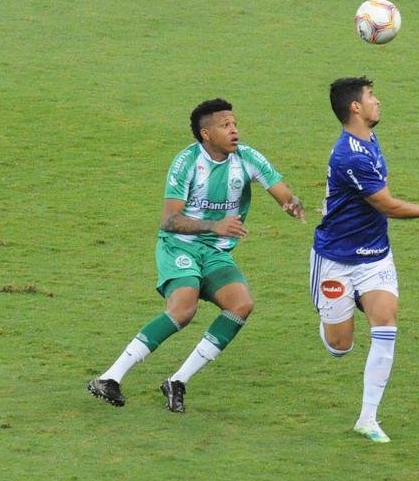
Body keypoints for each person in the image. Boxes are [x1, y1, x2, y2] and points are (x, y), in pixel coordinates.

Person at [89, 98, 304, 412]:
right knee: (183, 308)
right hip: (179, 246)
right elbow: (169, 219)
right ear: (206, 134)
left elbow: (283, 192)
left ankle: (178, 381)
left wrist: (291, 204)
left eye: (234, 124)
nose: (234, 131)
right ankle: (110, 377)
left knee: (241, 305)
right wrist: (214, 226)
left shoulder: (248, 158)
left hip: (216, 253)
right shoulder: (186, 163)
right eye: (225, 125)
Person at [310, 77, 419, 443]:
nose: (378, 101)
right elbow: (387, 206)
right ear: (355, 108)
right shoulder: (350, 154)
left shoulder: (368, 141)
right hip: (336, 260)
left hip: (375, 255)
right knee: (339, 347)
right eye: (371, 97)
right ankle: (336, 311)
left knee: (386, 321)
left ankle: (368, 418)